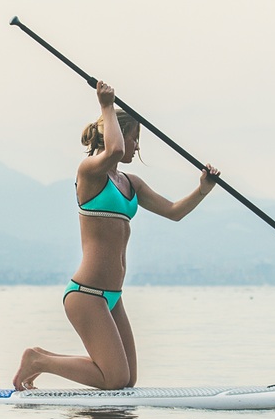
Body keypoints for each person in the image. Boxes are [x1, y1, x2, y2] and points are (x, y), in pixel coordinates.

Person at [13, 79, 219, 390]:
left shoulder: (131, 183)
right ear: (118, 133)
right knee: (115, 379)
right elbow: (115, 149)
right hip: (87, 294)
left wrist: (202, 190)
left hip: (112, 297)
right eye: (135, 139)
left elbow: (174, 212)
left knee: (127, 380)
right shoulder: (89, 172)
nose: (136, 147)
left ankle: (42, 357)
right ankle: (37, 361)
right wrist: (106, 105)